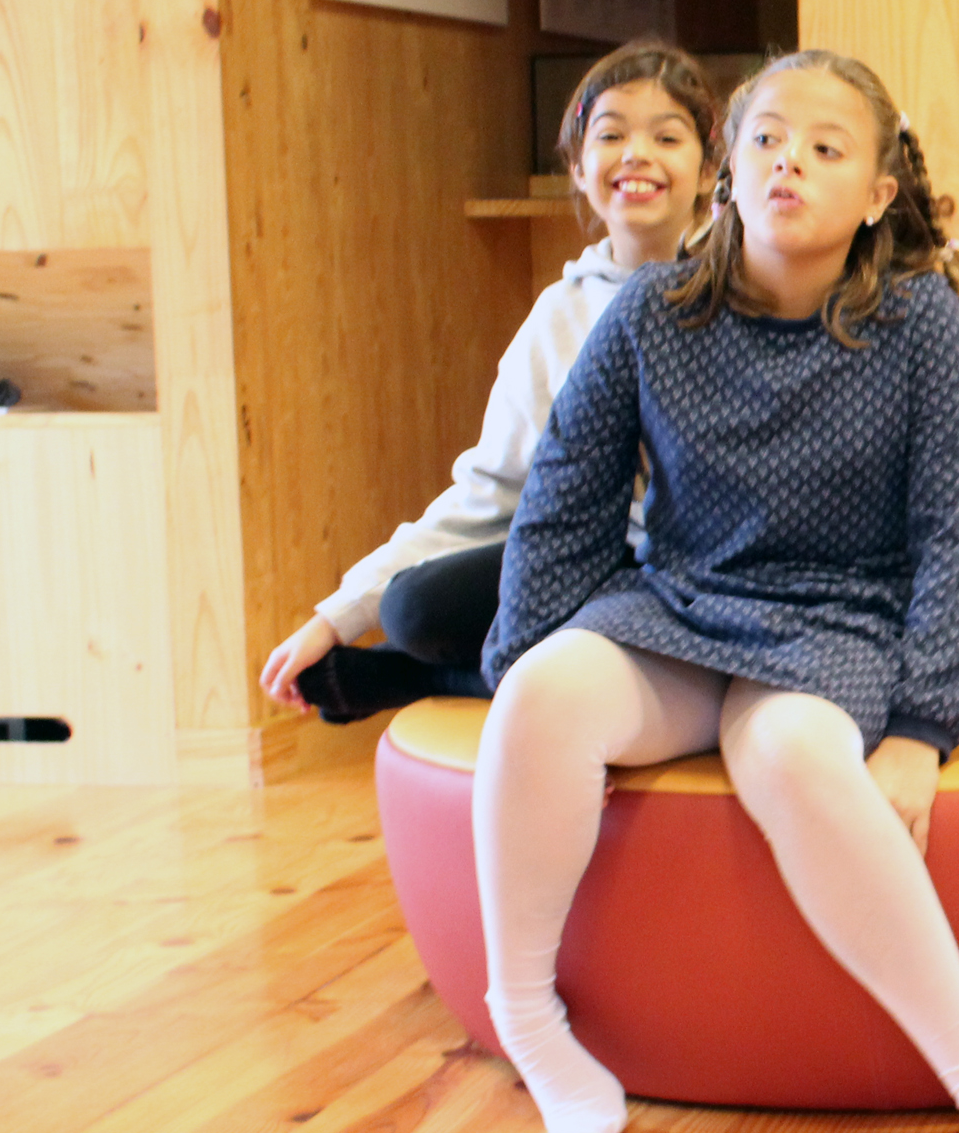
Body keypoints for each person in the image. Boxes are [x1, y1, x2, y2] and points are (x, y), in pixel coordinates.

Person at [469, 50, 959, 1133]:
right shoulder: (649, 312)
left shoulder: (919, 322)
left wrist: (924, 725)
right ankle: (529, 1016)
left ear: (877, 194)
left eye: (826, 149)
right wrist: (523, 663)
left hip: (839, 620)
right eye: (769, 140)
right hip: (682, 604)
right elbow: (565, 495)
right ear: (729, 168)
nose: (790, 162)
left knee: (793, 753)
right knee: (541, 688)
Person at [258, 41, 719, 722]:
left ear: (709, 170)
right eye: (611, 135)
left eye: (667, 137)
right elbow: (490, 492)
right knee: (413, 608)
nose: (636, 155)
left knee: (621, 639)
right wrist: (337, 616)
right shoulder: (558, 315)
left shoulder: (744, 290)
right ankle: (460, 667)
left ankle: (425, 677)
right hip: (585, 562)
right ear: (577, 167)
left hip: (698, 571)